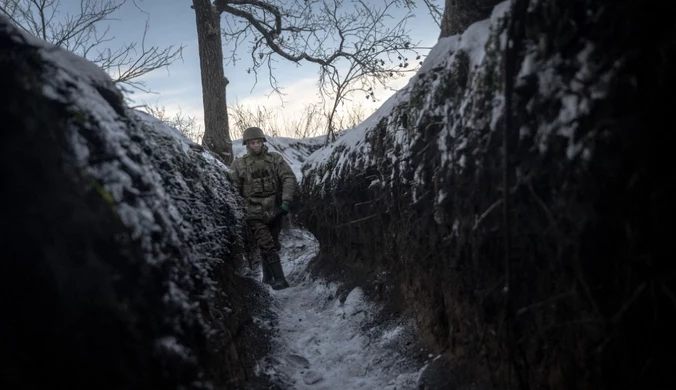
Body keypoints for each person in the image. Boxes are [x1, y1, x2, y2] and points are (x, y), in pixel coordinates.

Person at [229, 127, 297, 290]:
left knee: (272, 243)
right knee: (267, 245)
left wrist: (286, 201)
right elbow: (234, 188)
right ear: (247, 144)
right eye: (252, 143)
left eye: (258, 142)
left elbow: (288, 178)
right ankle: (280, 280)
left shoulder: (275, 160)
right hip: (253, 212)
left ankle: (267, 277)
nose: (256, 145)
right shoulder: (239, 164)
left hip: (274, 210)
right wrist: (239, 211)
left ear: (263, 142)